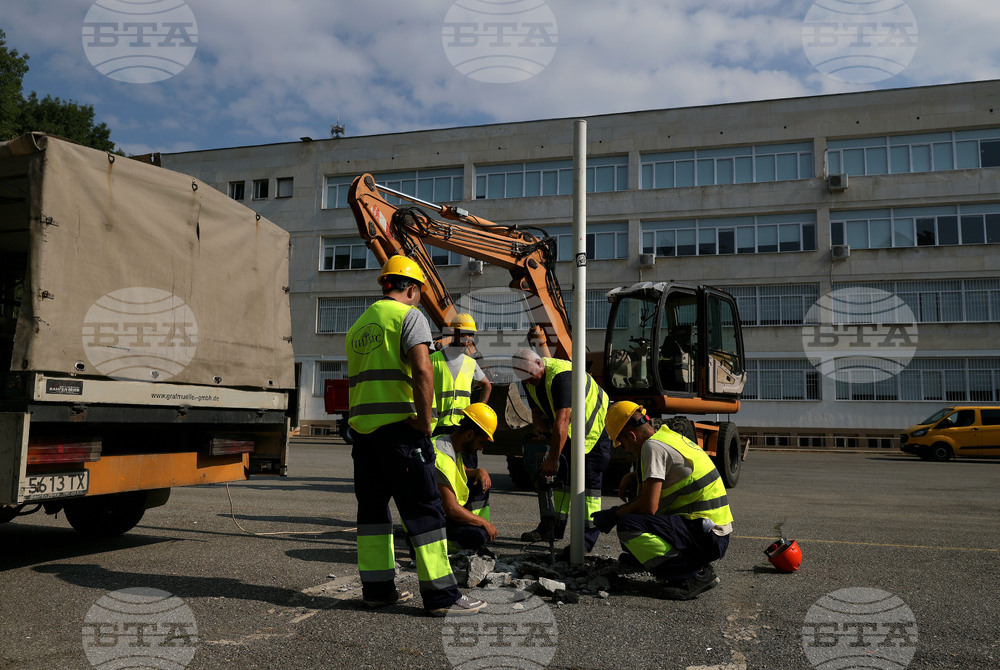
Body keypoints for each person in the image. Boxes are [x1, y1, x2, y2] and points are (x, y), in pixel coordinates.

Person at [346, 255, 486, 617]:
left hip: (363, 435)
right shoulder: (410, 317)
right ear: (411, 288)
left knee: (373, 513)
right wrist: (426, 423)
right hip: (402, 433)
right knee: (424, 512)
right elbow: (423, 370)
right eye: (419, 293)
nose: (419, 299)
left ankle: (377, 591)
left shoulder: (358, 325)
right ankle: (442, 597)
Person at [591, 401, 733, 600]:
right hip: (711, 530)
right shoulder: (666, 437)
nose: (625, 449)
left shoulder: (652, 448)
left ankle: (692, 575)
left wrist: (613, 514)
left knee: (628, 526)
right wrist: (634, 476)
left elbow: (649, 506)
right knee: (636, 502)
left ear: (631, 435)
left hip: (708, 537)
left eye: (622, 444)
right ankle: (673, 560)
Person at [511, 348, 611, 552]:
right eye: (524, 379)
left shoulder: (562, 377)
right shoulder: (528, 376)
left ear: (540, 364)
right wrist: (539, 429)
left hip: (592, 430)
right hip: (569, 430)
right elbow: (537, 410)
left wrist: (552, 459)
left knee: (588, 487)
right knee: (560, 483)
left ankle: (586, 540)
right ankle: (551, 528)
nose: (528, 382)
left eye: (530, 377)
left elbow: (562, 420)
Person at [433, 403, 498, 552]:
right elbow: (450, 508)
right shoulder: (441, 459)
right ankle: (445, 546)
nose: (481, 448)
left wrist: (478, 471)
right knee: (478, 536)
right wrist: (483, 523)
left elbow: (460, 471)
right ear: (469, 435)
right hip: (432, 523)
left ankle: (470, 530)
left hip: (442, 515)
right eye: (481, 442)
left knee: (480, 483)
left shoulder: (448, 443)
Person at [431, 313, 492, 437]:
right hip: (438, 427)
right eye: (465, 334)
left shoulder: (471, 363)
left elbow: (487, 386)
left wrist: (477, 412)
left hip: (462, 427)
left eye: (471, 335)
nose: (468, 339)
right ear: (454, 333)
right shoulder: (433, 359)